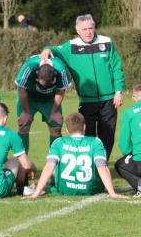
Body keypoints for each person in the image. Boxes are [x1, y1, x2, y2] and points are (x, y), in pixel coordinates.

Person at [39, 14, 125, 159]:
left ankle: (101, 166)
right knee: (88, 136)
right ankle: (91, 166)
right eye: (84, 29)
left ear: (94, 27)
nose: (88, 32)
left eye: (90, 28)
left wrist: (118, 91)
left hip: (109, 100)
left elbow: (117, 67)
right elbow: (54, 50)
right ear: (78, 30)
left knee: (107, 136)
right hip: (87, 101)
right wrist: (47, 49)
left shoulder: (107, 42)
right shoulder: (71, 47)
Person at [25, 112, 126, 199]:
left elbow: (49, 167)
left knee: (53, 164)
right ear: (84, 127)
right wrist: (112, 193)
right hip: (91, 189)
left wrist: (36, 194)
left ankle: (37, 188)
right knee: (103, 164)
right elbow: (102, 168)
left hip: (64, 190)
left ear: (67, 130)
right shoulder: (95, 142)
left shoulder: (58, 142)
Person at [15, 55, 72, 153]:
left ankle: (55, 162)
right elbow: (22, 89)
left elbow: (61, 90)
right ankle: (22, 165)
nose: (45, 86)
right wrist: (26, 112)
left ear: (54, 74)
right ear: (37, 73)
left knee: (56, 128)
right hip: (29, 98)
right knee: (24, 127)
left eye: (49, 83)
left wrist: (54, 112)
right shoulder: (29, 66)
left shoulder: (60, 69)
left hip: (50, 100)